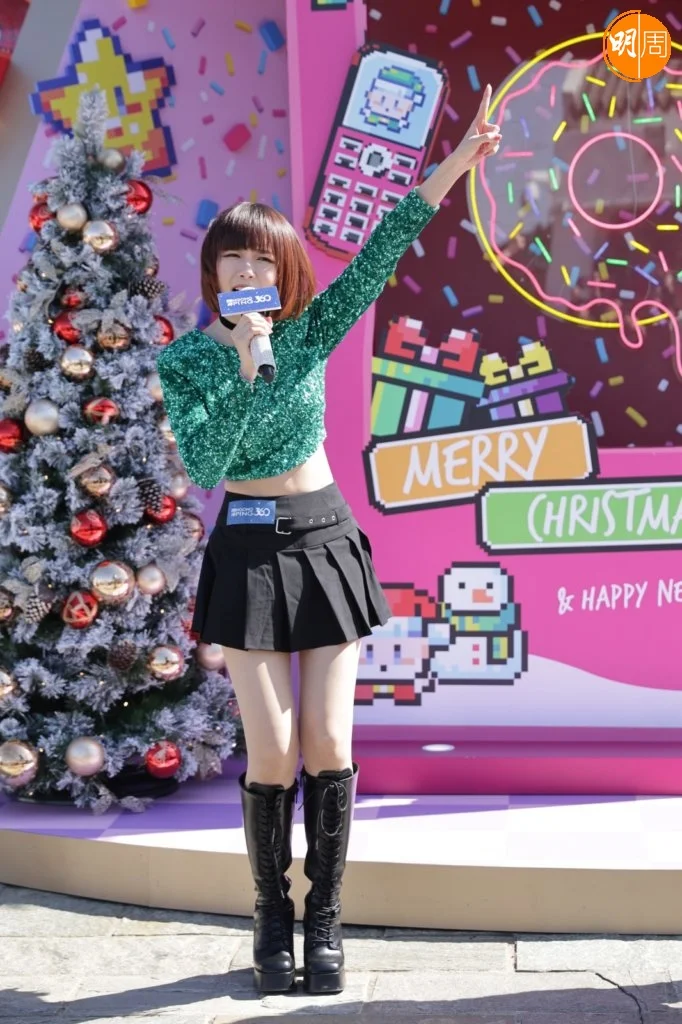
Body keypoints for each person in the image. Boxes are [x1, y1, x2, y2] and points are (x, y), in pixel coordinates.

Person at [156, 85, 501, 996]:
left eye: (260, 260)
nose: (245, 273)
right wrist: (244, 364)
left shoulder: (309, 334)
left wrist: (456, 164)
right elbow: (208, 462)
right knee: (271, 750)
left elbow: (384, 247)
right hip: (247, 552)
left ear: (284, 271)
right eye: (231, 260)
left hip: (322, 540)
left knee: (328, 739)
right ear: (213, 272)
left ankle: (326, 920)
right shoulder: (187, 359)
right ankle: (271, 915)